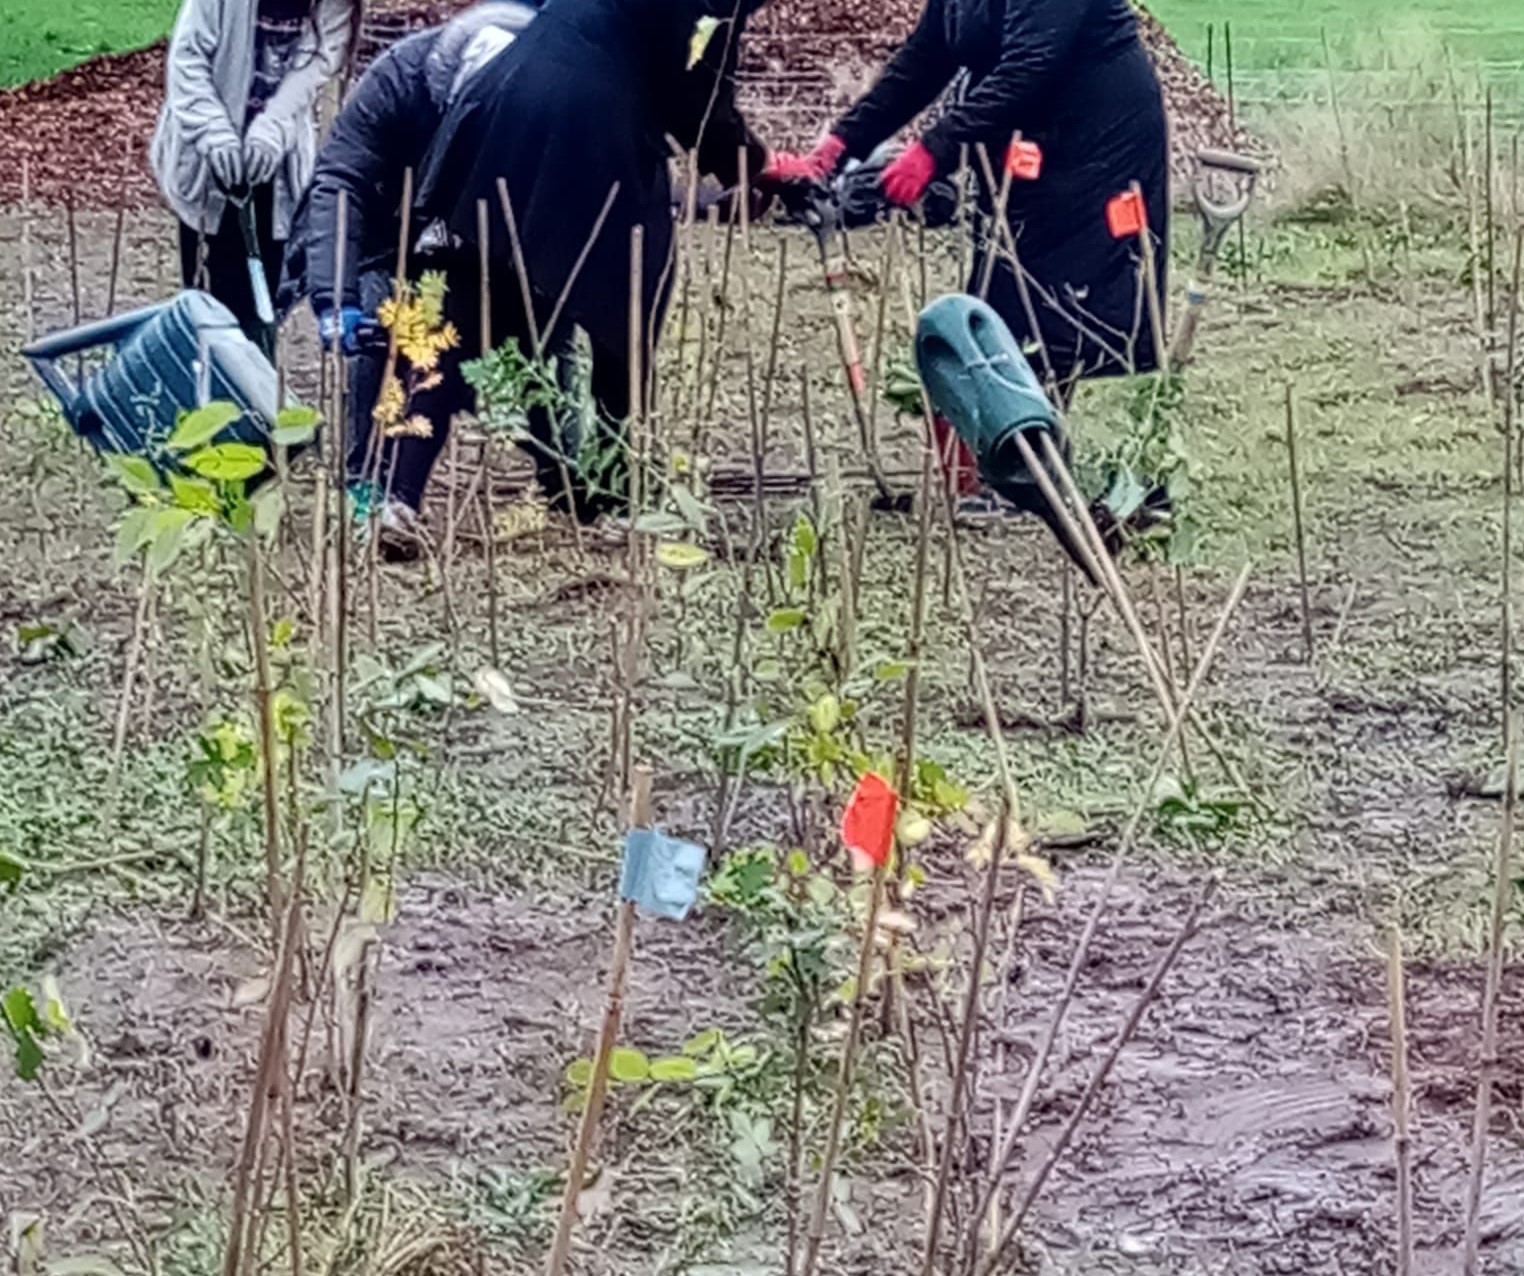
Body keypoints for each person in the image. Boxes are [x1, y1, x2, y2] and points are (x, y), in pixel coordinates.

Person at [777, 0, 1168, 498]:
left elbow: (1032, 66)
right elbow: (925, 59)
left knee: (1056, 307)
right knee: (1002, 294)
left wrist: (933, 150)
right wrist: (839, 146)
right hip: (1025, 144)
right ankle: (1001, 468)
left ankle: (1044, 471)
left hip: (1097, 144)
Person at [413, 0, 774, 521]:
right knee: (629, 300)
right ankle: (614, 484)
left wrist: (739, 156)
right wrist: (749, 161)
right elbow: (697, 94)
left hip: (513, 95)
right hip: (583, 119)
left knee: (505, 306)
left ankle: (545, 482)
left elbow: (676, 81)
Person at [279, 1, 539, 557]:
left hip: (469, 239)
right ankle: (366, 489)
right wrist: (333, 298)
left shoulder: (540, 99)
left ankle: (568, 479)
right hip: (380, 231)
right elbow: (339, 180)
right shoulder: (400, 80)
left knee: (443, 342)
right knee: (381, 326)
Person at [151, 0, 362, 347]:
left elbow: (320, 60)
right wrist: (213, 131)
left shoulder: (335, 4)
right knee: (209, 304)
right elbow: (187, 59)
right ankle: (208, 386)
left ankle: (256, 386)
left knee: (261, 307)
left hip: (276, 168)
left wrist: (274, 126)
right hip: (208, 166)